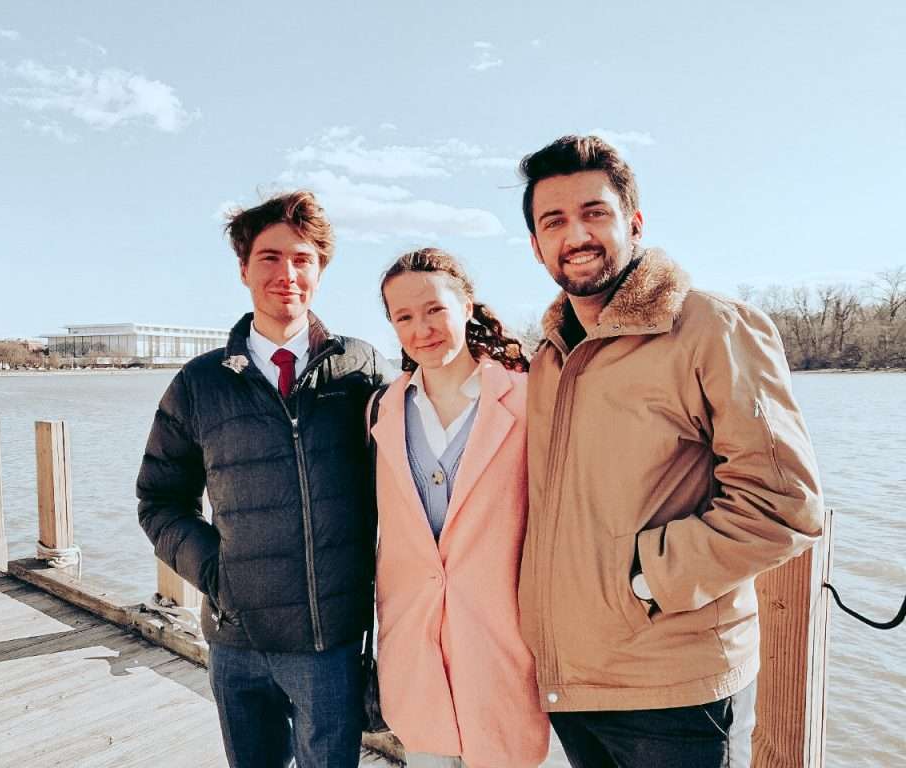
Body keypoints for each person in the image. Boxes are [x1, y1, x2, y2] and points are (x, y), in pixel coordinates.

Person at [515, 135, 824, 768]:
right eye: (555, 220)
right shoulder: (548, 360)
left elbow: (785, 505)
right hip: (571, 686)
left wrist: (648, 579)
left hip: (671, 693)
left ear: (633, 221)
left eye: (594, 213)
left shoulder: (711, 327)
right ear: (536, 244)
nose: (576, 234)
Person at [136, 190, 392, 768]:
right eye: (271, 258)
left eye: (303, 259)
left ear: (321, 270)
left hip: (328, 644)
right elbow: (159, 499)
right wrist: (216, 574)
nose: (288, 274)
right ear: (244, 269)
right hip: (236, 641)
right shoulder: (200, 383)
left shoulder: (362, 370)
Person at [370, 248, 549, 768]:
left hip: (506, 655)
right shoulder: (383, 408)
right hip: (416, 656)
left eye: (434, 310)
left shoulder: (526, 399)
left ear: (467, 305)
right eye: (403, 317)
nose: (421, 328)